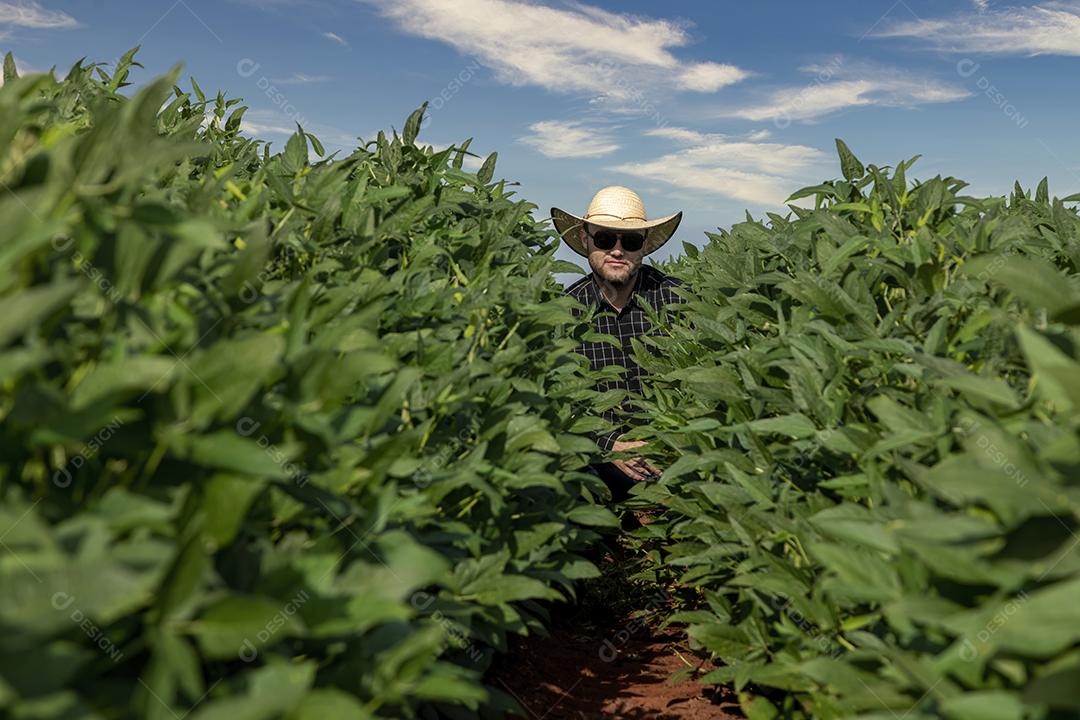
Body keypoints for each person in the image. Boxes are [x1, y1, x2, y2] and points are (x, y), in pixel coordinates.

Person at [551, 186, 689, 503]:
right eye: (604, 239)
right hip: (598, 461)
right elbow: (558, 405)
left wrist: (663, 442)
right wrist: (609, 445)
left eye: (629, 241)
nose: (617, 250)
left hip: (671, 452)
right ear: (585, 239)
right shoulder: (564, 313)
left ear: (643, 246)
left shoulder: (679, 301)